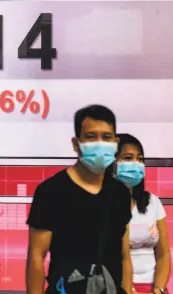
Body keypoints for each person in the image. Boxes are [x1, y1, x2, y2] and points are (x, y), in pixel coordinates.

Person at [26, 105, 133, 294]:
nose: (100, 143)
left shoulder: (120, 193)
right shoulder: (51, 191)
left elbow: (124, 255)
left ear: (116, 143)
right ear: (76, 143)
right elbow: (36, 256)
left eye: (106, 137)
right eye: (91, 137)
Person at [112, 134, 170, 294]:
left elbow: (163, 254)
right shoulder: (101, 205)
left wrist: (158, 289)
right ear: (112, 163)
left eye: (140, 159)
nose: (136, 164)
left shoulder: (153, 202)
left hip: (153, 287)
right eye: (128, 158)